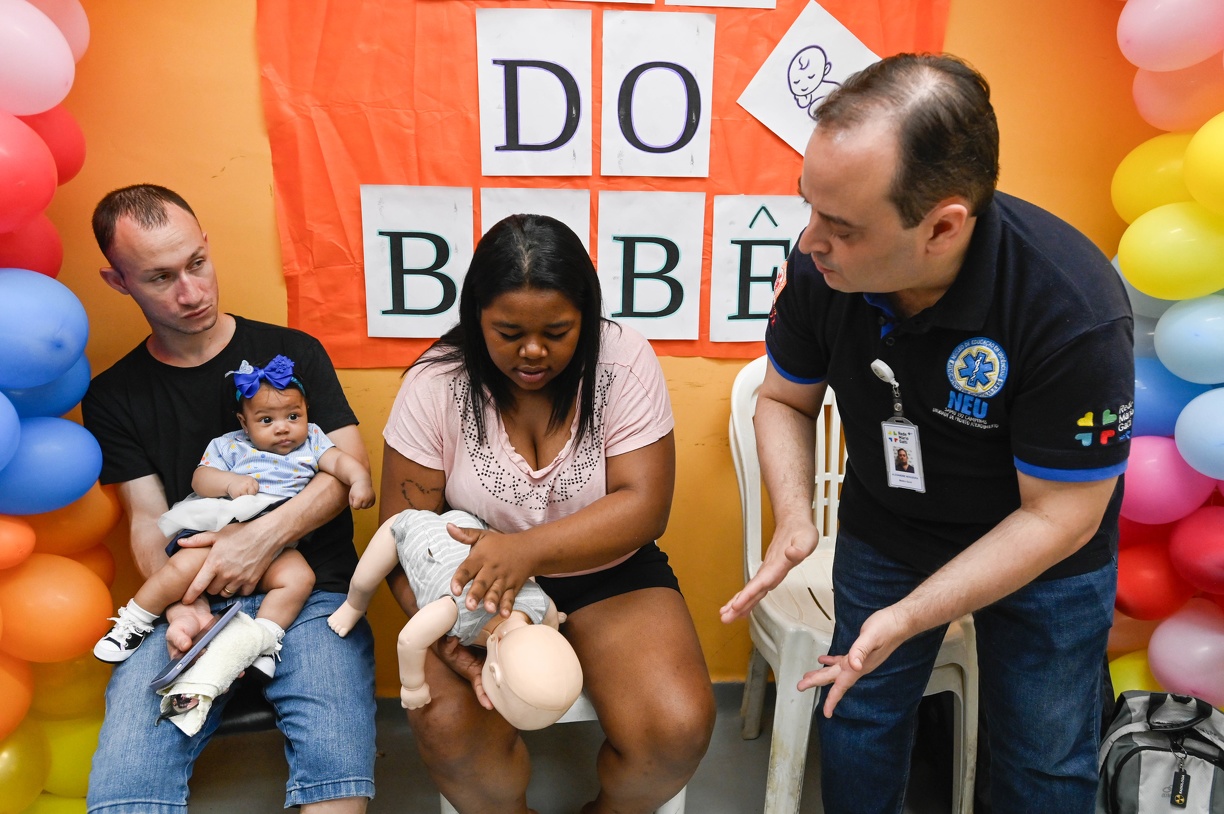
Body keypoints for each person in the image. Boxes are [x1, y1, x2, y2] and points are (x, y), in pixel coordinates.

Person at [720, 54, 1133, 813]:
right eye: (808, 209)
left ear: (942, 226)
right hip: (891, 528)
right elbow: (783, 400)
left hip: (1044, 553)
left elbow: (1062, 515)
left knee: (1042, 761)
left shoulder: (1070, 308)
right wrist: (793, 514)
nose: (810, 242)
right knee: (860, 713)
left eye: (840, 227)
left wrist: (913, 617)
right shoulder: (824, 269)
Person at [380, 213, 715, 813]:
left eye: (557, 331)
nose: (533, 352)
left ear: (586, 316)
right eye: (508, 332)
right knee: (451, 735)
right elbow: (397, 537)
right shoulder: (436, 383)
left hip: (608, 573)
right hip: (478, 593)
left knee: (676, 729)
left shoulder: (621, 361)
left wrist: (526, 550)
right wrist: (449, 637)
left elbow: (645, 507)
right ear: (475, 317)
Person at [81, 184, 377, 813]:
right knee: (126, 781)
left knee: (335, 773)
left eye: (195, 263)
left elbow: (344, 474)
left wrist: (260, 539)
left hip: (314, 592)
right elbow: (145, 519)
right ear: (118, 281)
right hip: (187, 590)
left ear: (208, 246)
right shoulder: (115, 395)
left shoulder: (293, 353)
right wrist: (182, 606)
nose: (191, 293)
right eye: (160, 278)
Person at [93, 354, 375, 685]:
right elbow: (200, 478)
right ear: (244, 423)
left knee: (300, 579)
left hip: (277, 542)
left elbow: (342, 461)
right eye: (266, 420)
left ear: (307, 414)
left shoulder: (312, 441)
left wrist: (360, 481)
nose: (283, 427)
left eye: (293, 416)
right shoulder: (231, 446)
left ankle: (263, 641)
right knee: (180, 570)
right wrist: (229, 483)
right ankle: (135, 621)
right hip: (222, 531)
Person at [329, 508, 583, 731]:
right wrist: (413, 685)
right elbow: (409, 640)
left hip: (471, 527)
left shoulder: (539, 601)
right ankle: (352, 605)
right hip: (416, 532)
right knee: (363, 581)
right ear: (492, 672)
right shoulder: (457, 610)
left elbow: (549, 615)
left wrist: (552, 625)